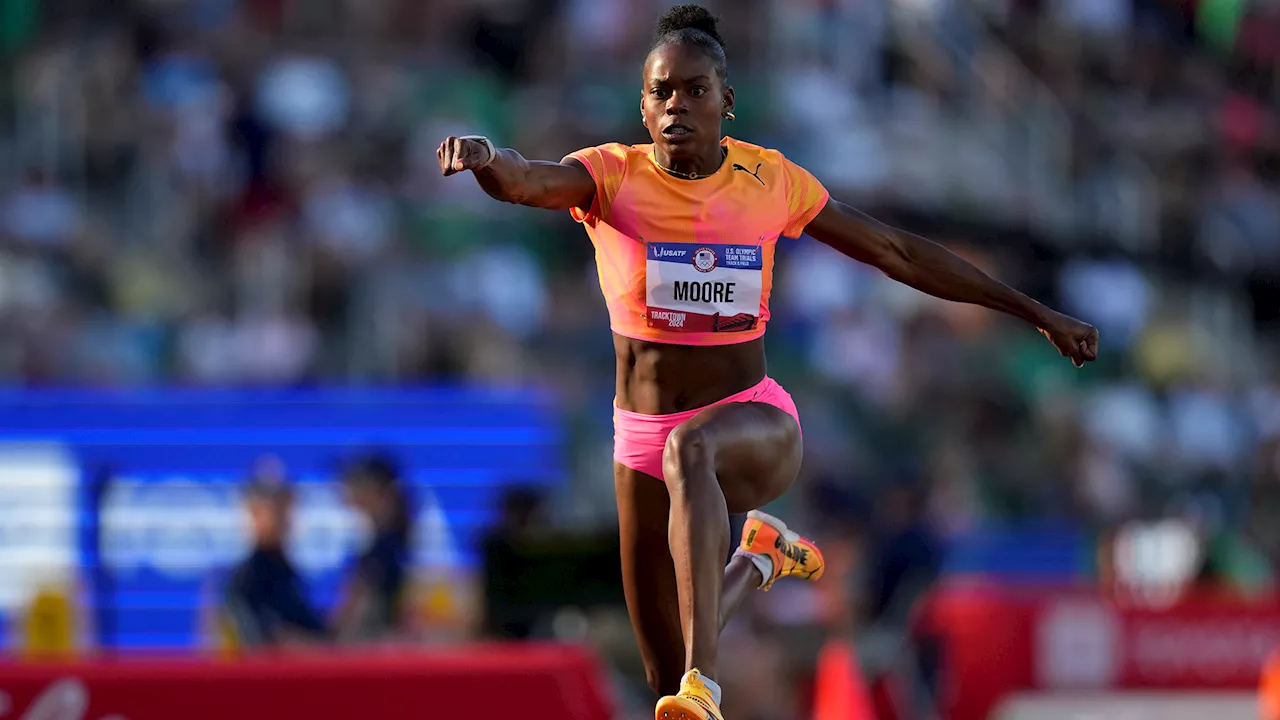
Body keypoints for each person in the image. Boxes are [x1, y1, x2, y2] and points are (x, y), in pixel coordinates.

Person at [436, 6, 1099, 718]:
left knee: (692, 464)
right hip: (639, 440)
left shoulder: (769, 181)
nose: (676, 105)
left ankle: (708, 682)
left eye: (694, 90)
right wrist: (486, 160)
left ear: (727, 100)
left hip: (753, 424)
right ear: (642, 105)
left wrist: (1034, 311)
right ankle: (757, 558)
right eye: (661, 92)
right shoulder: (611, 177)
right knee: (664, 672)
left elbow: (896, 252)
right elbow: (527, 180)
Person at [223, 457, 330, 648]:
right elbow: (267, 644)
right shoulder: (248, 579)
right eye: (273, 505)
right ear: (252, 511)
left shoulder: (286, 569)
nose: (284, 514)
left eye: (285, 504)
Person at [333, 452, 414, 642]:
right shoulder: (376, 547)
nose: (349, 492)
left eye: (357, 484)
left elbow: (350, 620)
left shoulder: (388, 550)